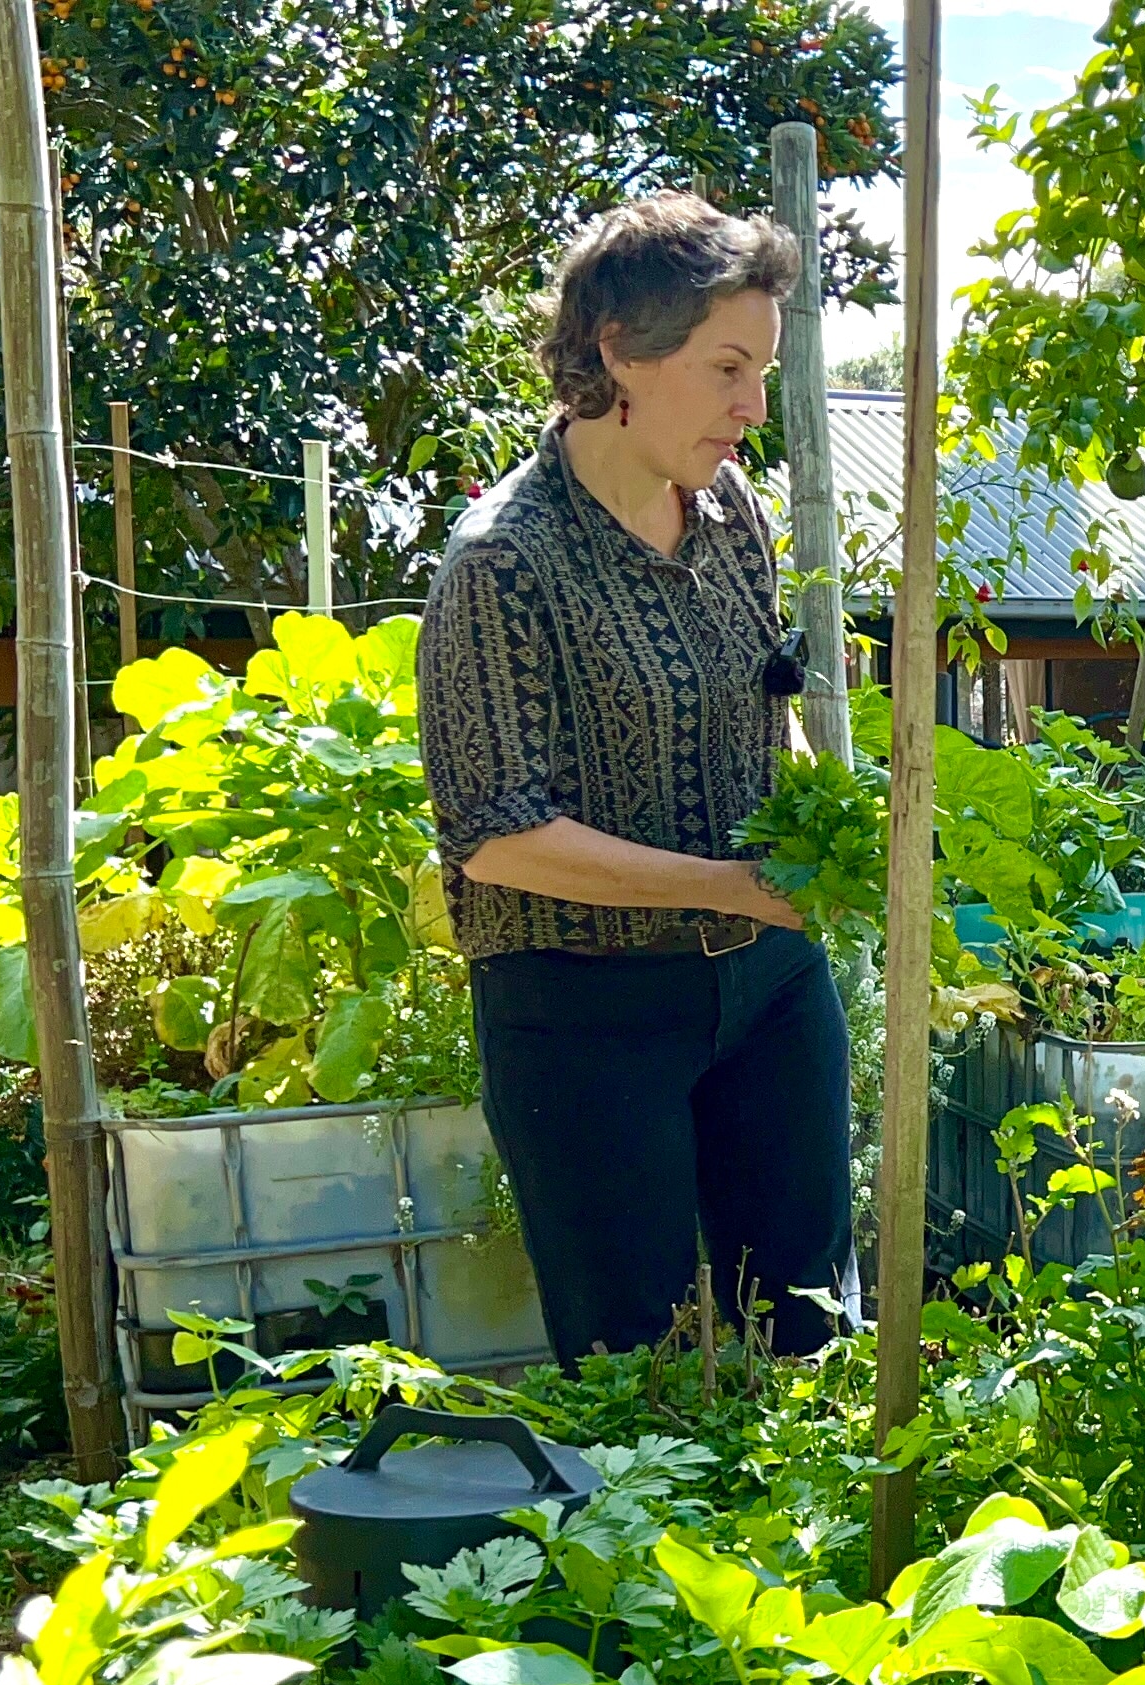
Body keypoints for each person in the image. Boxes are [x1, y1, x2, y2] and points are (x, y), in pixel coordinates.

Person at [416, 193, 850, 1371]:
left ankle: (811, 1555)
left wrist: (825, 834)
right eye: (725, 367)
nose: (752, 407)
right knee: (634, 1365)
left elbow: (769, 703)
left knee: (807, 1333)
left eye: (760, 370)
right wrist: (731, 884)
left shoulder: (728, 513)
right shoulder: (505, 560)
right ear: (619, 351)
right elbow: (499, 835)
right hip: (581, 1010)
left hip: (767, 990)